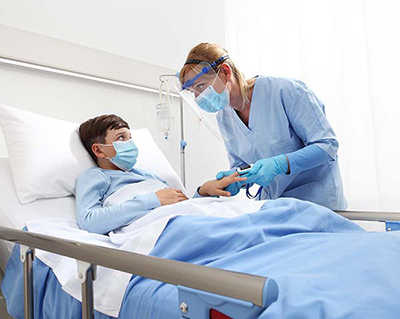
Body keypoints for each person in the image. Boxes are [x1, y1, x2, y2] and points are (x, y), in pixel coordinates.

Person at [179, 43, 347, 210]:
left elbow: (327, 146)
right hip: (276, 208)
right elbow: (243, 165)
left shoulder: (285, 91)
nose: (198, 97)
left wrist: (280, 164)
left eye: (200, 86)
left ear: (225, 72)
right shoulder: (224, 118)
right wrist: (236, 178)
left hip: (319, 204)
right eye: (193, 91)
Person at [76, 114, 242, 234]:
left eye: (130, 138)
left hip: (184, 219)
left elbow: (183, 207)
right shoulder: (95, 176)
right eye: (121, 138)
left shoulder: (149, 176)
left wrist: (203, 192)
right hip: (166, 228)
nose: (130, 144)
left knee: (251, 215)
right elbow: (90, 222)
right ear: (98, 150)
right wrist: (153, 199)